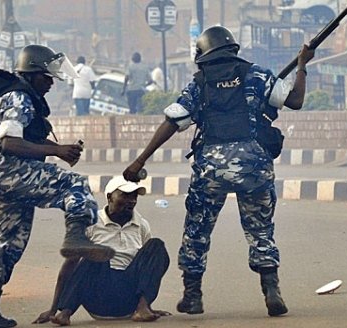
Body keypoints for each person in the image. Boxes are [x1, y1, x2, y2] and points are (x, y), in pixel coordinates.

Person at [123, 25, 315, 317]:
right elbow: (295, 101)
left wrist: (140, 161)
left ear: (203, 53)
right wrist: (302, 66)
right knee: (261, 230)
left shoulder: (199, 84)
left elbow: (172, 123)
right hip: (254, 165)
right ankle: (271, 290)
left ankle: (193, 295)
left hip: (211, 169)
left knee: (197, 230)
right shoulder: (257, 74)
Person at [0, 44, 115, 328]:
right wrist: (57, 153)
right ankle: (76, 236)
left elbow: (26, 139)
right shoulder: (17, 97)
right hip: (5, 169)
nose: (51, 83)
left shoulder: (23, 95)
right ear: (33, 73)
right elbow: (10, 142)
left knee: (10, 240)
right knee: (74, 184)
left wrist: (59, 148)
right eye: (47, 77)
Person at [32, 176, 170, 326]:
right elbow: (70, 266)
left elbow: (148, 267)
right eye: (125, 195)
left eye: (134, 196)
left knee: (156, 245)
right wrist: (53, 309)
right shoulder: (91, 222)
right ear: (110, 197)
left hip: (129, 297)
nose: (131, 200)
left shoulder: (142, 224)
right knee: (94, 253)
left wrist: (148, 300)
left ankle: (143, 308)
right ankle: (65, 312)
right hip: (99, 297)